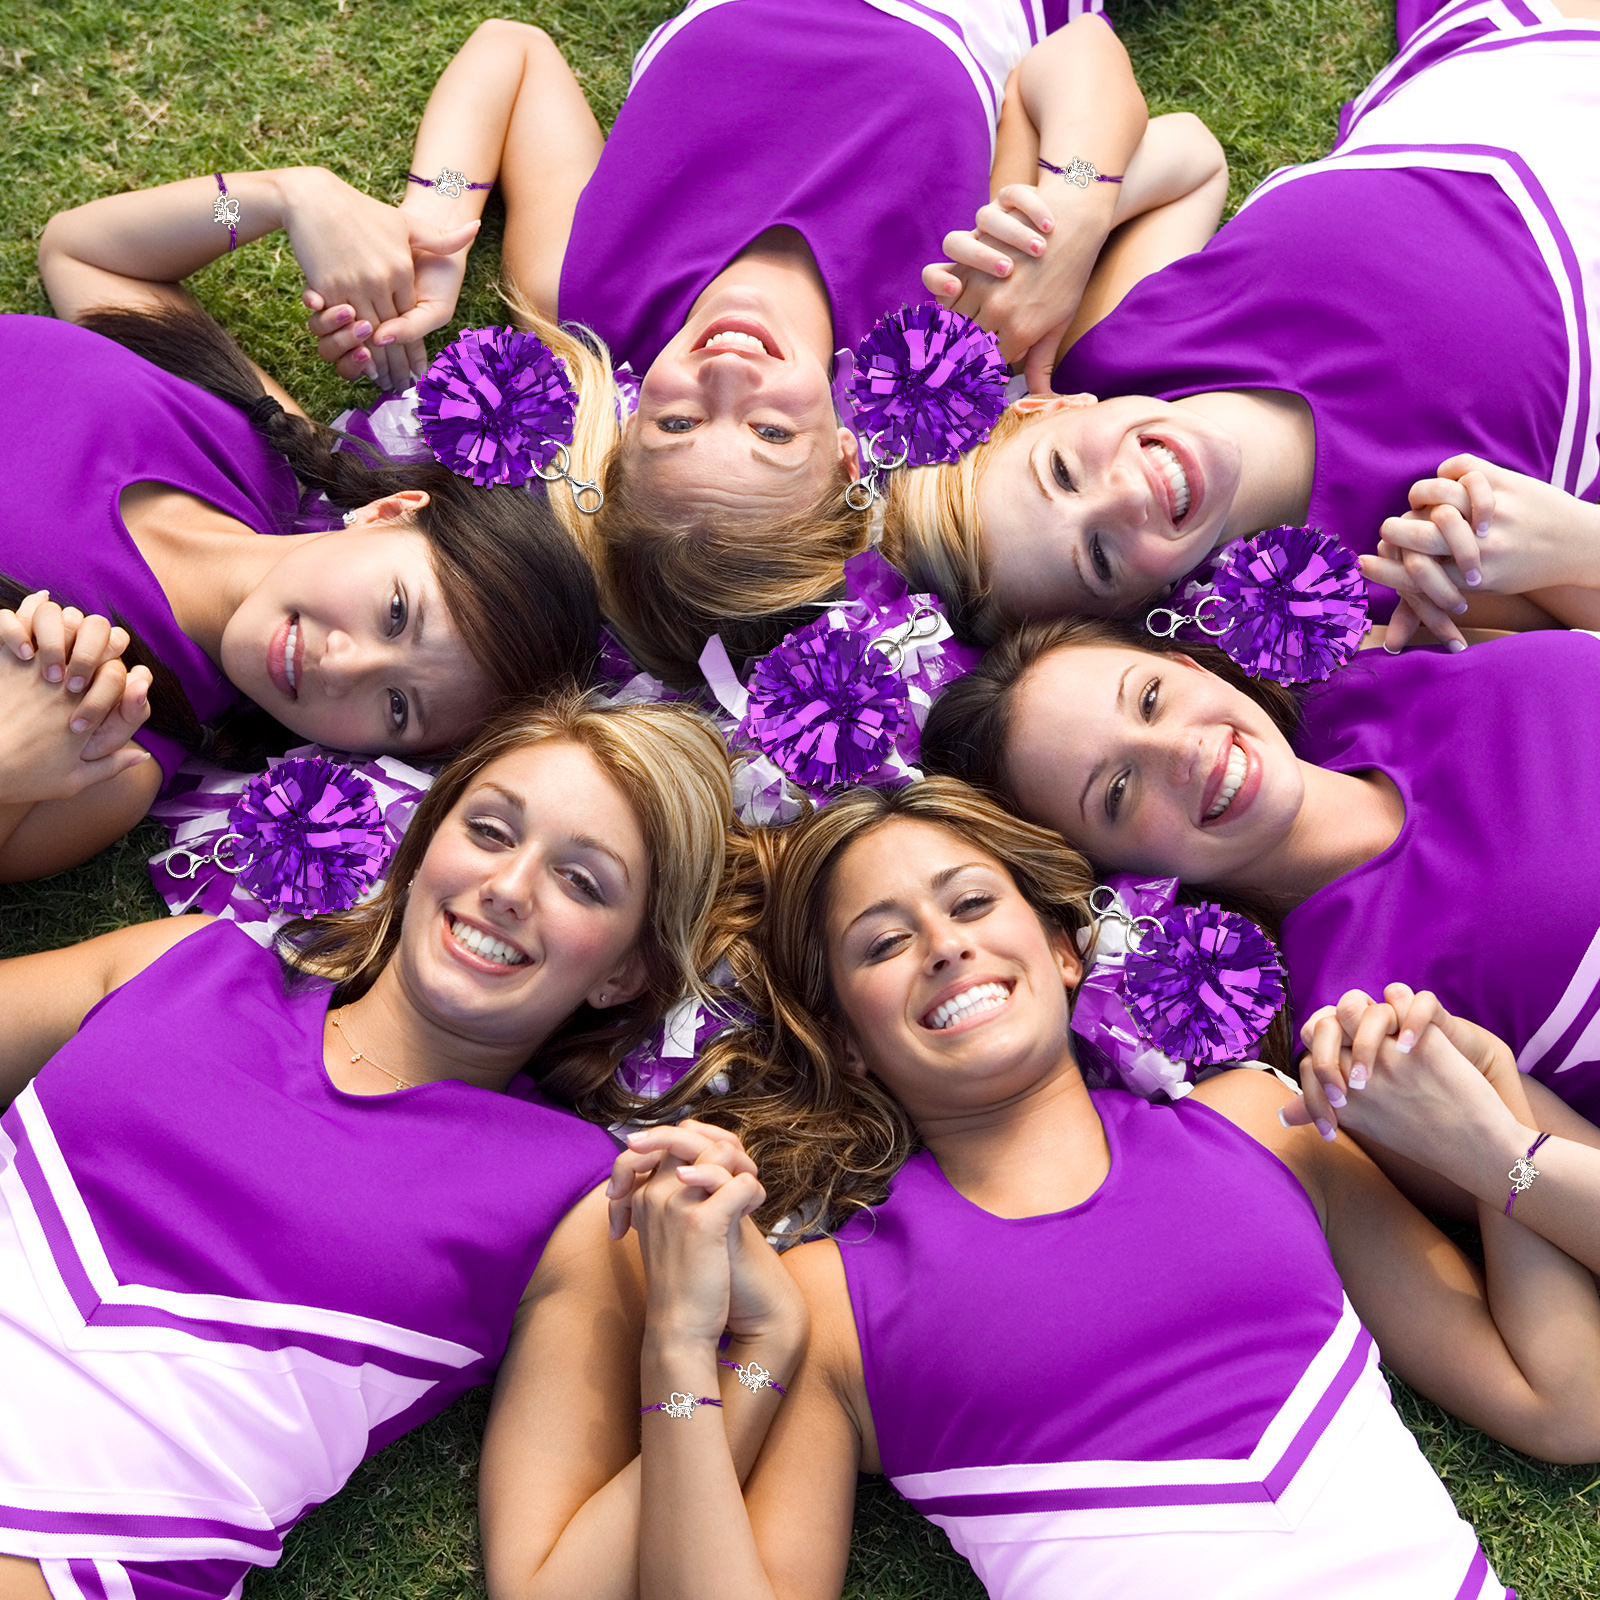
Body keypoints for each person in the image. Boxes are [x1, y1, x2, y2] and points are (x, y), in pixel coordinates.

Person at [609, 781, 1600, 1600]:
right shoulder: (831, 1305)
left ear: (1061, 948)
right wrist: (683, 1345)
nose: (944, 945)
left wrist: (1491, 1125)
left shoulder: (1263, 1124)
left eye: (969, 903)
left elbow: (1562, 1402)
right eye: (882, 945)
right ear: (848, 1041)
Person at [0, 688, 770, 1600]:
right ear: (425, 846)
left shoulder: (576, 1201)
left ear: (624, 973)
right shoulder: (186, 963)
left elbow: (551, 1583)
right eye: (490, 831)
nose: (509, 887)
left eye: (581, 882)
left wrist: (750, 1353)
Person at [301, 5, 1229, 680]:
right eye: (770, 435)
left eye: (674, 425)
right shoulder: (950, 320)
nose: (727, 376)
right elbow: (1083, 57)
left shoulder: (579, 285)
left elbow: (513, 51)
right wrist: (1075, 208)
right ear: (846, 454)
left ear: (623, 427)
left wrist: (438, 219)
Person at [887, 0, 1600, 650]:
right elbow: (1572, 620)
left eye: (1064, 473)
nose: (1126, 494)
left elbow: (1175, 141)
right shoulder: (1364, 582)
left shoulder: (1117, 352)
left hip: (1508, 81)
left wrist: (1071, 215)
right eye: (1099, 558)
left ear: (1048, 409)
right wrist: (1575, 543)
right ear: (1133, 611)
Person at [4, 172, 601, 881]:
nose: (344, 666)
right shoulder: (256, 439)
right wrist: (285, 199)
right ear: (387, 514)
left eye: (398, 708)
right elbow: (81, 253)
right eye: (396, 613)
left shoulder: (107, 740)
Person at [920, 618, 1600, 1123]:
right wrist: (1501, 1155)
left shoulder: (1390, 654)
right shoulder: (1359, 1032)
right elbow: (1544, 1189)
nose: (1182, 751)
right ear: (1117, 877)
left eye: (1150, 698)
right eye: (1118, 791)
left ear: (1192, 666)